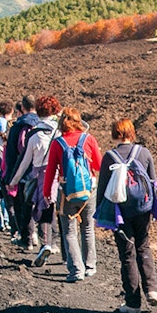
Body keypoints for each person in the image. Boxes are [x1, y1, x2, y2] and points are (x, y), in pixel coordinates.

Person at [98, 118, 157, 313]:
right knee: (143, 247)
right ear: (132, 133)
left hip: (120, 212)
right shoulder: (143, 152)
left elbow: (102, 189)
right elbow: (153, 183)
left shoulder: (110, 157)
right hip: (142, 209)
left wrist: (100, 216)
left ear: (114, 134)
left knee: (127, 254)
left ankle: (132, 303)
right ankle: (152, 290)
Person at [45, 107, 101, 281]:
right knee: (87, 228)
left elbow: (50, 170)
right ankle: (90, 266)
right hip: (88, 191)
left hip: (67, 192)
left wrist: (47, 192)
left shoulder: (57, 143)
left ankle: (76, 270)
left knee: (69, 232)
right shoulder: (89, 139)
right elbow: (99, 165)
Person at [9, 96, 60, 254]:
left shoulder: (34, 135)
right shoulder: (59, 133)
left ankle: (42, 242)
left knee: (38, 207)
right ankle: (57, 245)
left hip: (38, 175)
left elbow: (24, 162)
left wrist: (14, 180)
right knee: (53, 209)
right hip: (57, 176)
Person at [5, 95, 41, 249]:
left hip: (22, 171)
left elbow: (14, 153)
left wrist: (10, 176)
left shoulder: (17, 127)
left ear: (22, 108)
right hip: (41, 170)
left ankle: (27, 237)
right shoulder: (43, 125)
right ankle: (43, 238)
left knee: (23, 205)